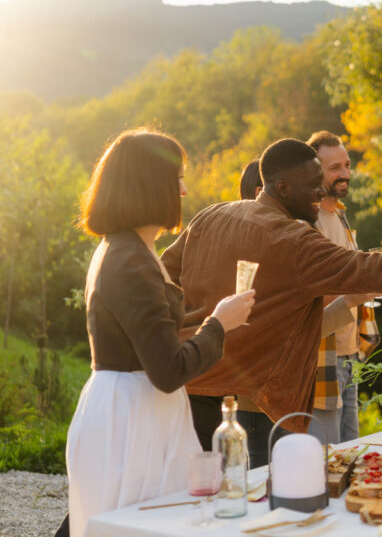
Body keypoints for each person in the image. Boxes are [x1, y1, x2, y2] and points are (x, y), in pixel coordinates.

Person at [163, 138, 382, 466]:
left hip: (193, 384)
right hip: (254, 400)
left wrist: (186, 333)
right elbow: (371, 268)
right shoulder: (294, 239)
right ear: (282, 188)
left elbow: (163, 277)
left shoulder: (210, 215)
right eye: (312, 185)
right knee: (265, 493)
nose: (321, 192)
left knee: (208, 493)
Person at [66, 129, 254, 537]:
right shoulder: (129, 260)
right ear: (150, 184)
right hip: (131, 419)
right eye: (177, 179)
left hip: (139, 408)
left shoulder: (130, 249)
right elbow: (167, 370)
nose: (184, 190)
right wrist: (219, 323)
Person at [308, 130, 369, 443]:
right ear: (314, 172)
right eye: (335, 168)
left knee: (351, 453)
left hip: (349, 355)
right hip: (323, 358)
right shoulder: (309, 221)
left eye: (347, 165)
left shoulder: (341, 216)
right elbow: (310, 297)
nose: (345, 173)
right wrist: (358, 290)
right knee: (326, 456)